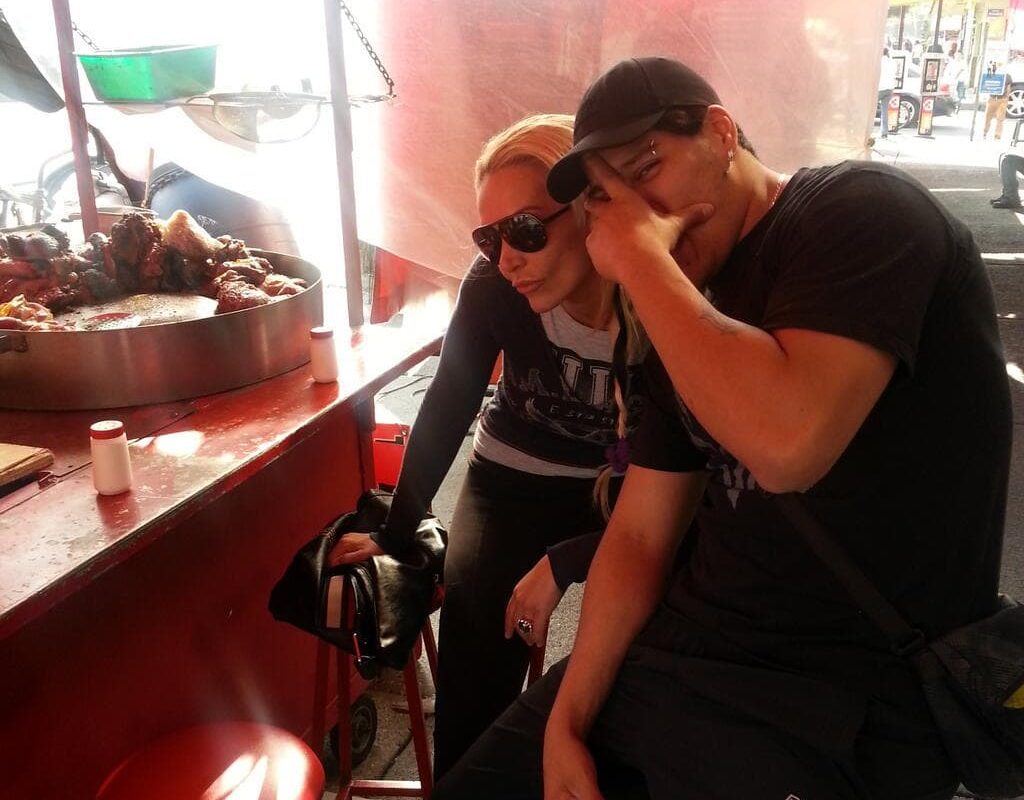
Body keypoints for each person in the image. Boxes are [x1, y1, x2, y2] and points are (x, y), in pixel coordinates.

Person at [434, 56, 1012, 800]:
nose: (639, 213)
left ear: (720, 132)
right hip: (690, 656)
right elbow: (642, 534)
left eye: (647, 169)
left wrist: (641, 260)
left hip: (850, 694)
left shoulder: (861, 211)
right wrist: (565, 723)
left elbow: (787, 445)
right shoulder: (681, 311)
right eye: (609, 199)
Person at [329, 113, 647, 779]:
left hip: (630, 489)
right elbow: (449, 402)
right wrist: (396, 528)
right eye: (488, 237)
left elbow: (679, 491)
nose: (506, 259)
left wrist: (570, 561)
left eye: (525, 229)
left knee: (646, 655)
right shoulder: (494, 286)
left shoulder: (657, 297)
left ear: (590, 208)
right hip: (511, 478)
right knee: (476, 636)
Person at [983, 63, 1011, 140]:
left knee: (1000, 119)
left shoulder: (1007, 76)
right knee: (988, 117)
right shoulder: (992, 74)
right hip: (992, 98)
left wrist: (1006, 98)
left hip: (1001, 99)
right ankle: (985, 131)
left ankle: (997, 135)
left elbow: (1008, 88)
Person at [877, 46, 897, 138]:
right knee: (885, 111)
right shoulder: (892, 62)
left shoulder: (878, 62)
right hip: (890, 88)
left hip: (879, 88)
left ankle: (867, 131)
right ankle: (884, 132)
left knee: (870, 109)